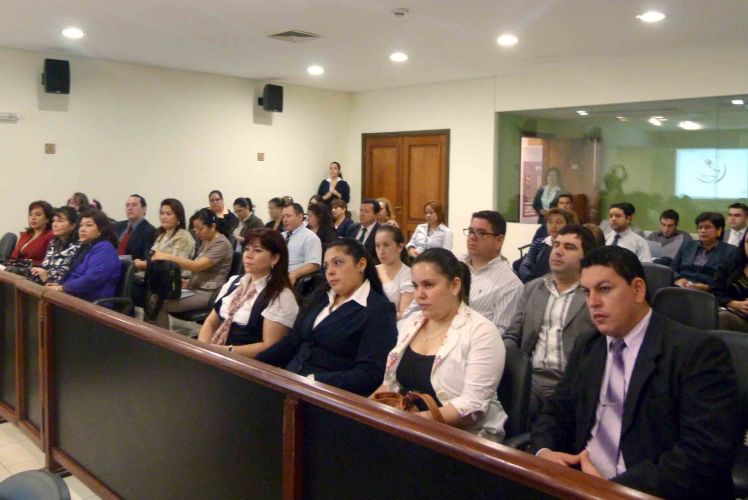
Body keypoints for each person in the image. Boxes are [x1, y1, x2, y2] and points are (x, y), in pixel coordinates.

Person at [530, 246, 739, 499]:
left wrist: (614, 489)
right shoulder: (589, 345)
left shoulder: (697, 352)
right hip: (580, 483)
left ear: (638, 289)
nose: (593, 302)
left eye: (604, 289)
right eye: (587, 292)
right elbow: (556, 412)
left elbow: (704, 455)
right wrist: (545, 452)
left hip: (648, 491)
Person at [372, 248, 507, 442]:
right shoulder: (411, 324)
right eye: (415, 286)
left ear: (455, 286)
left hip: (461, 439)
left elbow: (471, 407)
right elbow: (390, 385)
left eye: (428, 285)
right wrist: (366, 410)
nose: (419, 295)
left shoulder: (482, 332)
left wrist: (406, 421)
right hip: (407, 427)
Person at [256, 238, 398, 396]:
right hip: (292, 384)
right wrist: (256, 364)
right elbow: (292, 342)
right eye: (326, 266)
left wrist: (314, 380)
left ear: (361, 264)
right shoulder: (320, 297)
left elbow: (370, 374)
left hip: (328, 397)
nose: (330, 271)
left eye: (338, 263)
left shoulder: (379, 310)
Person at [505, 225, 599, 422]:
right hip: (529, 379)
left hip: (570, 383)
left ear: (586, 257)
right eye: (556, 244)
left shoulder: (593, 294)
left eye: (569, 247)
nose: (558, 251)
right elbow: (513, 335)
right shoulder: (532, 288)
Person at [198, 228, 299, 357]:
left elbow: (270, 346)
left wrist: (225, 352)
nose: (248, 255)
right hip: (214, 352)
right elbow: (211, 322)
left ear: (274, 258)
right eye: (247, 249)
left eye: (257, 250)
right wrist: (203, 349)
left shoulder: (281, 296)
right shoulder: (235, 282)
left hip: (245, 361)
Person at [151, 209, 233, 329]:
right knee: (155, 296)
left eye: (200, 229)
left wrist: (168, 256)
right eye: (195, 229)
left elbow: (197, 266)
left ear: (212, 227)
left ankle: (162, 337)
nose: (197, 233)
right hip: (195, 288)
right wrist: (189, 281)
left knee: (159, 302)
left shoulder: (222, 244)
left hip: (208, 293)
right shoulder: (207, 241)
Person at [460, 211, 522, 336]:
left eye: (481, 233)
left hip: (472, 342)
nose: (472, 237)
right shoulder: (454, 263)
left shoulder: (510, 285)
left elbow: (497, 335)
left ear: (499, 240)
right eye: (471, 231)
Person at [46, 208, 121, 302]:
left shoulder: (105, 248)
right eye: (81, 225)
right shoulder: (86, 247)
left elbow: (92, 279)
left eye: (89, 225)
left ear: (101, 229)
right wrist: (60, 285)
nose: (82, 229)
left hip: (91, 303)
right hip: (75, 297)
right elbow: (74, 275)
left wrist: (62, 288)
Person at [131, 199, 196, 306]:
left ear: (178, 217)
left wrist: (143, 264)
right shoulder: (160, 235)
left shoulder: (183, 237)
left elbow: (174, 266)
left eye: (168, 214)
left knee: (129, 284)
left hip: (172, 280)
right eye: (162, 213)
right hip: (152, 276)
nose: (164, 217)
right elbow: (153, 258)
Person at [671, 212, 737, 292]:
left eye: (707, 227)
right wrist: (678, 278)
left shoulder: (730, 251)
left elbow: (729, 280)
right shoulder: (688, 245)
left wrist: (708, 287)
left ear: (719, 230)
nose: (702, 231)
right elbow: (673, 267)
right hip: (681, 288)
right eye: (700, 227)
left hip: (709, 293)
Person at [518, 208, 574, 283]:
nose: (553, 226)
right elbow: (525, 264)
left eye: (559, 222)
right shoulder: (539, 242)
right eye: (550, 222)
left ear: (568, 225)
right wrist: (532, 281)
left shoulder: (572, 245)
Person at [30, 206, 81, 285]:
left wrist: (46, 278)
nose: (54, 225)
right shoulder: (54, 242)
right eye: (54, 221)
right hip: (43, 284)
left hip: (59, 288)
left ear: (73, 225)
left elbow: (69, 277)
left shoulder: (78, 246)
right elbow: (45, 266)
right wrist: (37, 271)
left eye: (60, 221)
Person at [375, 225, 413, 319]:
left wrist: (374, 316)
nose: (381, 251)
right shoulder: (373, 270)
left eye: (386, 245)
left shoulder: (407, 275)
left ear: (399, 247)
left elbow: (405, 314)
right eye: (377, 246)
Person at [713, 232, 748, 332]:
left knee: (724, 318)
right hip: (733, 314)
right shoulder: (732, 263)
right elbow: (714, 290)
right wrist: (732, 303)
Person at [283, 203, 322, 285]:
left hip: (295, 279)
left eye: (288, 216)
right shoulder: (281, 236)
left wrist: (294, 274)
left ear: (300, 217)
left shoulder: (310, 237)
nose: (284, 220)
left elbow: (314, 264)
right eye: (283, 216)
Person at [113, 194, 156, 261]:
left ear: (144, 209)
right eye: (127, 205)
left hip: (130, 265)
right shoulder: (118, 226)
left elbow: (144, 258)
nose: (130, 208)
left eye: (134, 205)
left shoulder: (150, 231)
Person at [10, 200, 54, 266]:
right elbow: (13, 257)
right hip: (13, 268)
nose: (33, 218)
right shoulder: (26, 234)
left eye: (38, 215)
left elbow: (48, 261)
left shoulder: (50, 235)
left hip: (32, 270)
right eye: (30, 215)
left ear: (47, 218)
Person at [346, 198, 381, 265]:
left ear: (376, 215)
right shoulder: (352, 228)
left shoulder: (381, 231)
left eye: (366, 211)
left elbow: (378, 258)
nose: (362, 214)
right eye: (361, 211)